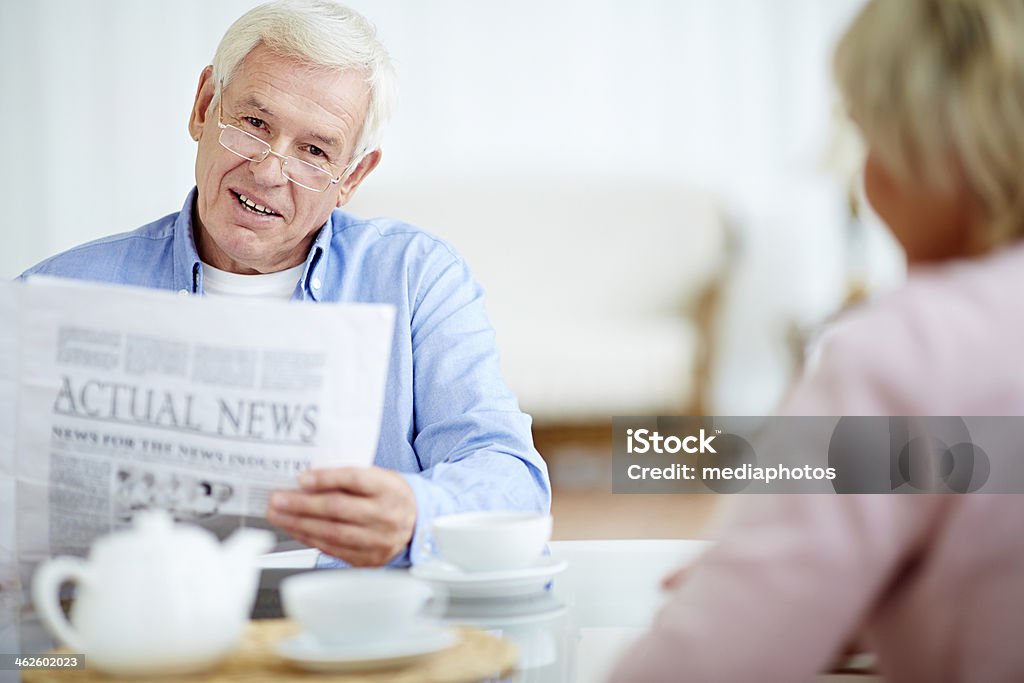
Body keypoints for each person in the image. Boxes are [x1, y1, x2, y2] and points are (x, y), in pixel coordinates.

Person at [19, 0, 550, 568]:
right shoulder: (54, 294)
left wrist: (417, 510)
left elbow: (511, 479)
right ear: (204, 107)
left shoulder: (415, 279)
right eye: (253, 125)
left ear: (352, 177)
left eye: (315, 151)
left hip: (349, 640)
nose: (269, 171)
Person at [610, 0, 1024, 680]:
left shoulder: (908, 349)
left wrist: (770, 598)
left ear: (925, 146)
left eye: (869, 138)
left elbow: (706, 663)